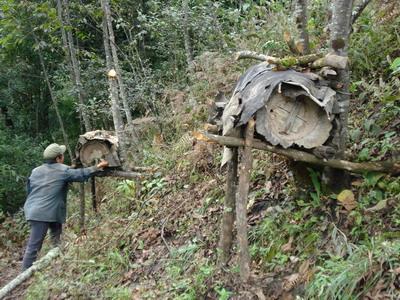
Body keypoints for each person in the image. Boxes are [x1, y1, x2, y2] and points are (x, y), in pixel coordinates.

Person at [22, 143, 108, 270]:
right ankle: (24, 275)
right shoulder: (63, 171)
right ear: (58, 158)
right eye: (62, 155)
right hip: (44, 212)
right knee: (34, 246)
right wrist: (98, 166)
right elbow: (81, 174)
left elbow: (30, 190)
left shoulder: (36, 171)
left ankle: (56, 261)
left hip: (36, 209)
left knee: (56, 237)